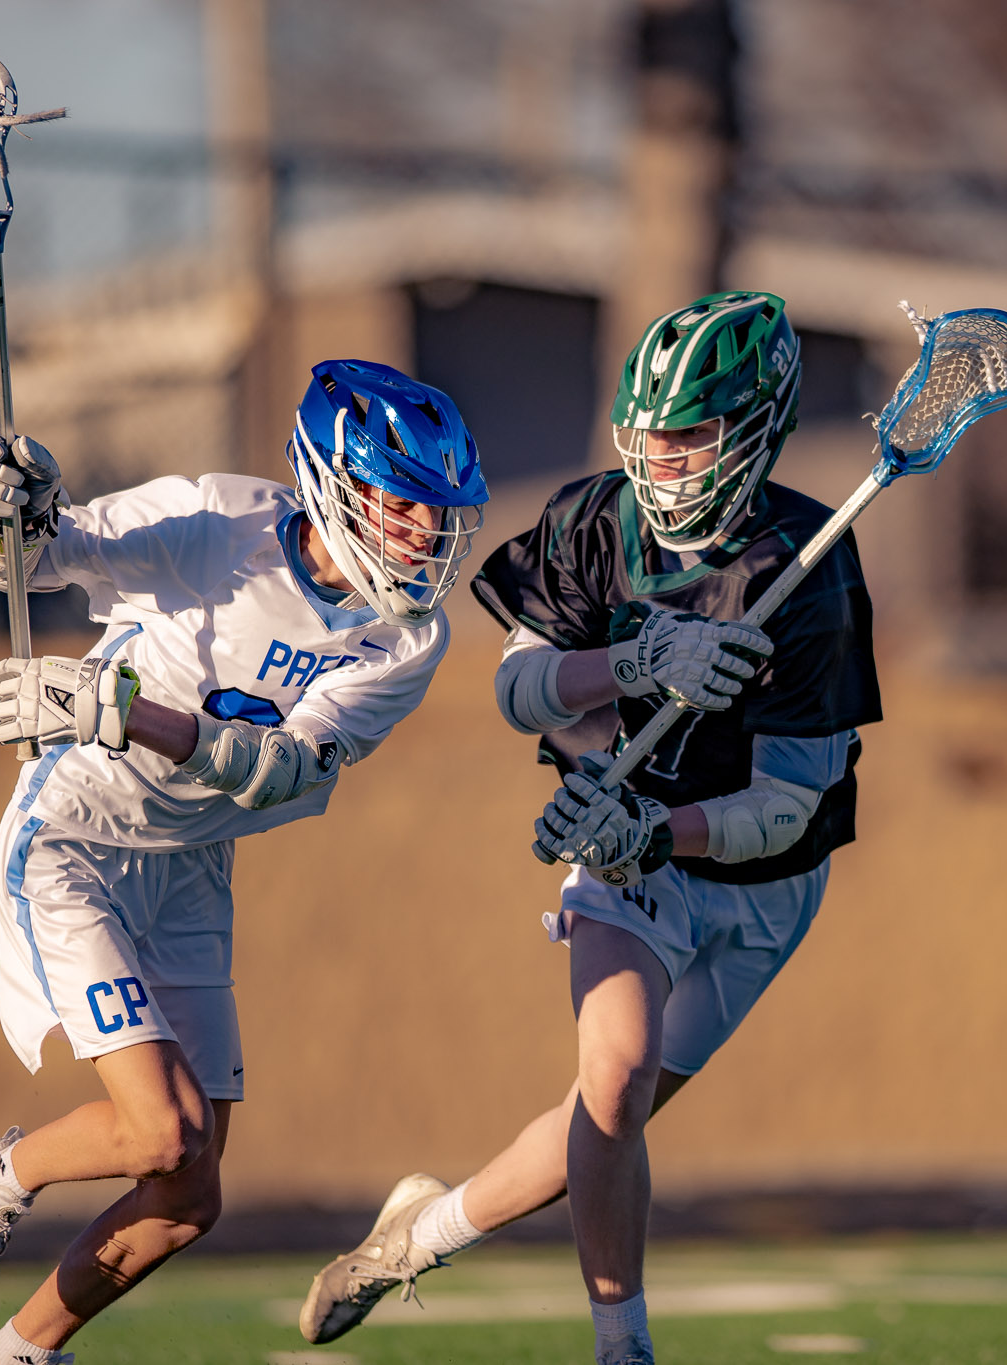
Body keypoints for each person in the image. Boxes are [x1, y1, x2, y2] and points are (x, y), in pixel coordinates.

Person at [298, 291, 882, 1364]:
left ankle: (412, 1240)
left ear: (753, 429)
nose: (660, 459)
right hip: (620, 842)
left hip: (756, 874)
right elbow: (519, 691)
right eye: (649, 433)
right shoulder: (591, 519)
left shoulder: (807, 569)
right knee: (613, 1078)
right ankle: (625, 1350)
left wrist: (656, 837)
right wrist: (633, 665)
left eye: (689, 434)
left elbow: (786, 807)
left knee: (588, 1129)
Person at [0, 359, 489, 1363]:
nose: (424, 537)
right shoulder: (214, 521)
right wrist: (10, 510)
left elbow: (275, 776)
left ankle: (14, 1355)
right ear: (333, 488)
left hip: (189, 865)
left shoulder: (407, 640)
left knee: (188, 1196)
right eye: (403, 509)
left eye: (438, 516)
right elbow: (32, 563)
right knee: (162, 1134)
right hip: (77, 837)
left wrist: (122, 709)